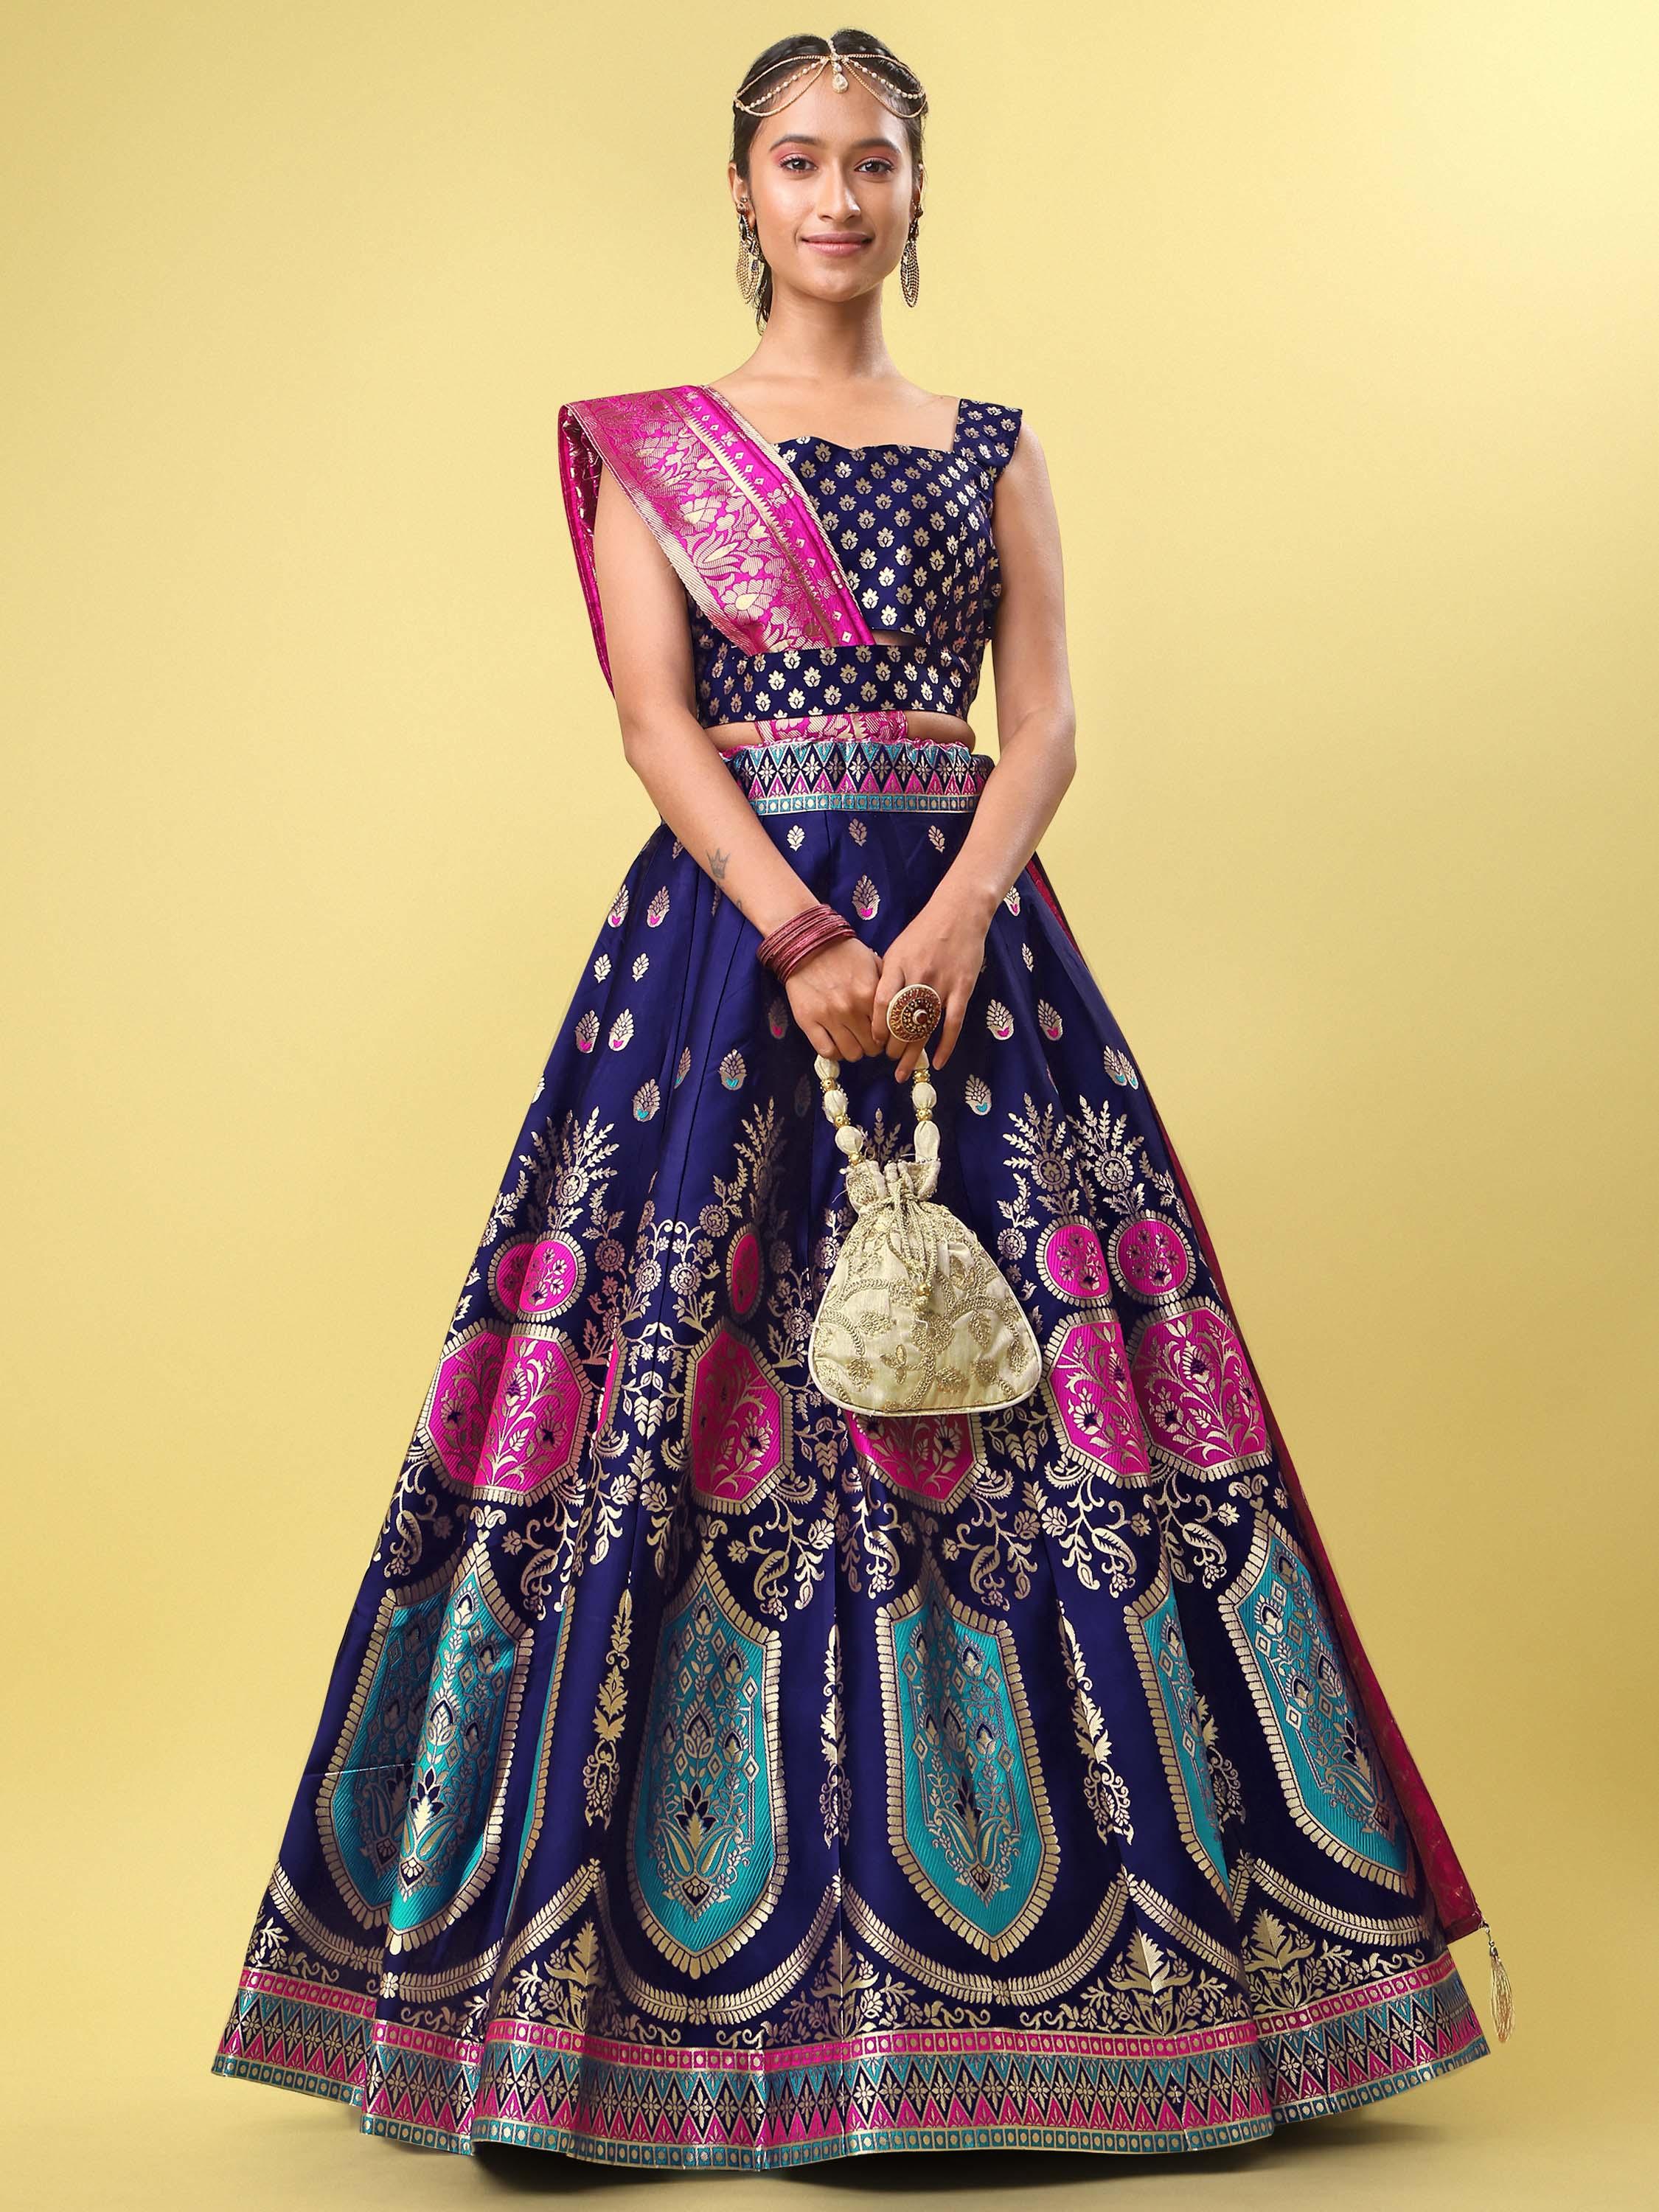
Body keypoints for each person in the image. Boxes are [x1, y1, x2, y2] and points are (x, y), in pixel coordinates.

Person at [211, 27, 1509, 2171]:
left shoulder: (985, 439)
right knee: (674, 1420)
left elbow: (1050, 712)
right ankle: (567, 2042)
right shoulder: (656, 449)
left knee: (1013, 1429)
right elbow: (652, 719)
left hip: (972, 963)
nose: (836, 198)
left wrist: (963, 918)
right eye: (799, 162)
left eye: (873, 164)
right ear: (739, 189)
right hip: (734, 954)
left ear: (918, 192)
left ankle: (1049, 2022)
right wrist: (805, 938)